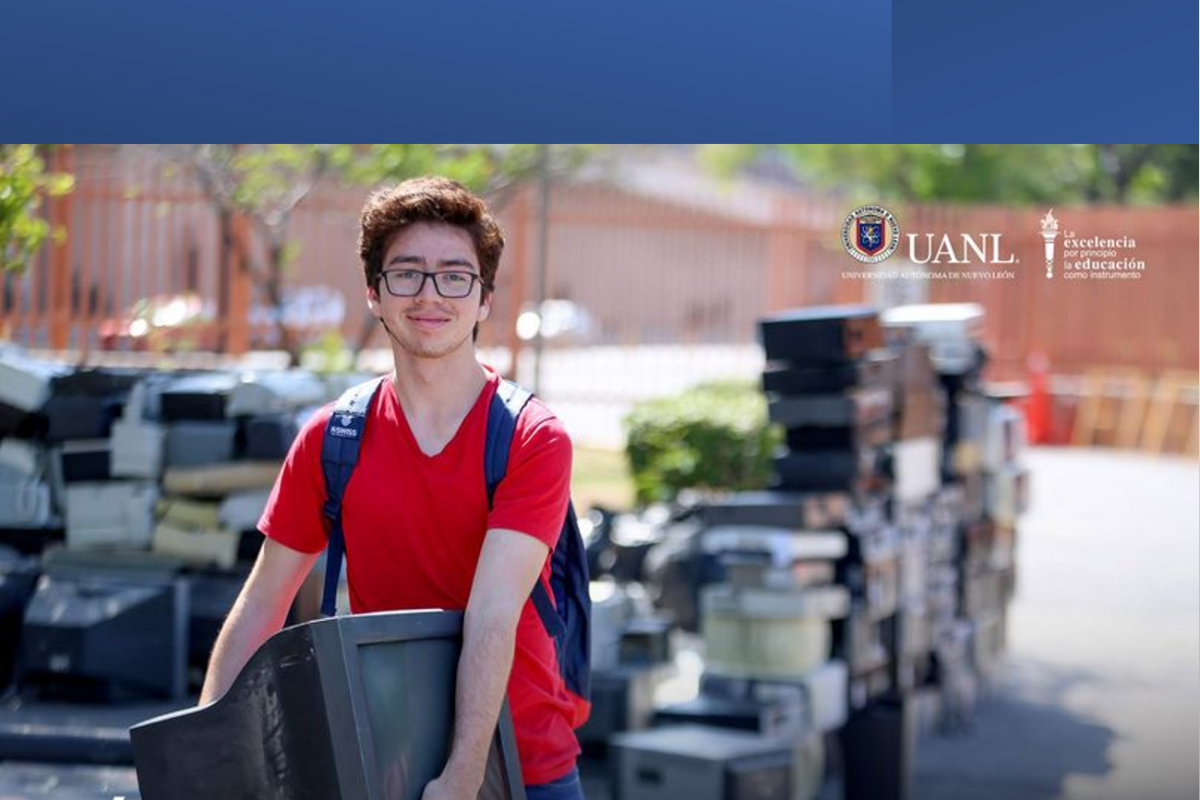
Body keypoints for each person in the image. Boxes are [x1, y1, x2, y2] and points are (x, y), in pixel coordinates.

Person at [199, 176, 586, 800]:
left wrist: (461, 775)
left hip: (525, 767)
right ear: (374, 293)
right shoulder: (332, 439)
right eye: (407, 273)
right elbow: (263, 605)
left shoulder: (531, 438)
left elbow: (492, 615)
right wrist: (204, 756)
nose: (430, 294)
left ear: (484, 299)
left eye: (455, 276)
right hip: (385, 763)